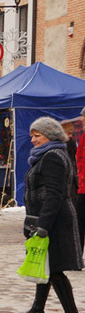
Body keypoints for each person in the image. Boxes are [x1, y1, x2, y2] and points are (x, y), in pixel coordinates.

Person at [15, 117, 82, 313]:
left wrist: (44, 224)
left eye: (38, 136)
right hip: (44, 217)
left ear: (50, 136)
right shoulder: (45, 155)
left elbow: (54, 194)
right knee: (44, 263)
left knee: (54, 268)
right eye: (32, 135)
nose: (33, 140)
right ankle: (38, 310)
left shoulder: (53, 157)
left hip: (54, 220)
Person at [76, 107, 85, 250]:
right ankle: (77, 257)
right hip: (82, 185)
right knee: (79, 223)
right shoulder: (83, 136)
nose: (81, 120)